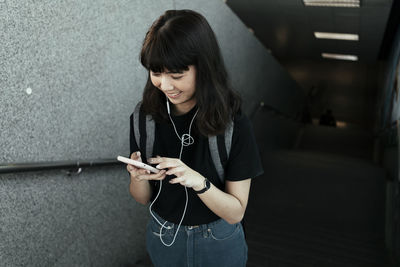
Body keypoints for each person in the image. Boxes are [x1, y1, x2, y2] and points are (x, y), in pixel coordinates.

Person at [125, 9, 263, 267]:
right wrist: (137, 177)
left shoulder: (234, 124)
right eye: (156, 73)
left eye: (176, 76)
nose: (165, 86)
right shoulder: (144, 119)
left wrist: (198, 181)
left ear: (204, 67)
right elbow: (143, 197)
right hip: (162, 235)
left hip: (218, 240)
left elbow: (236, 212)